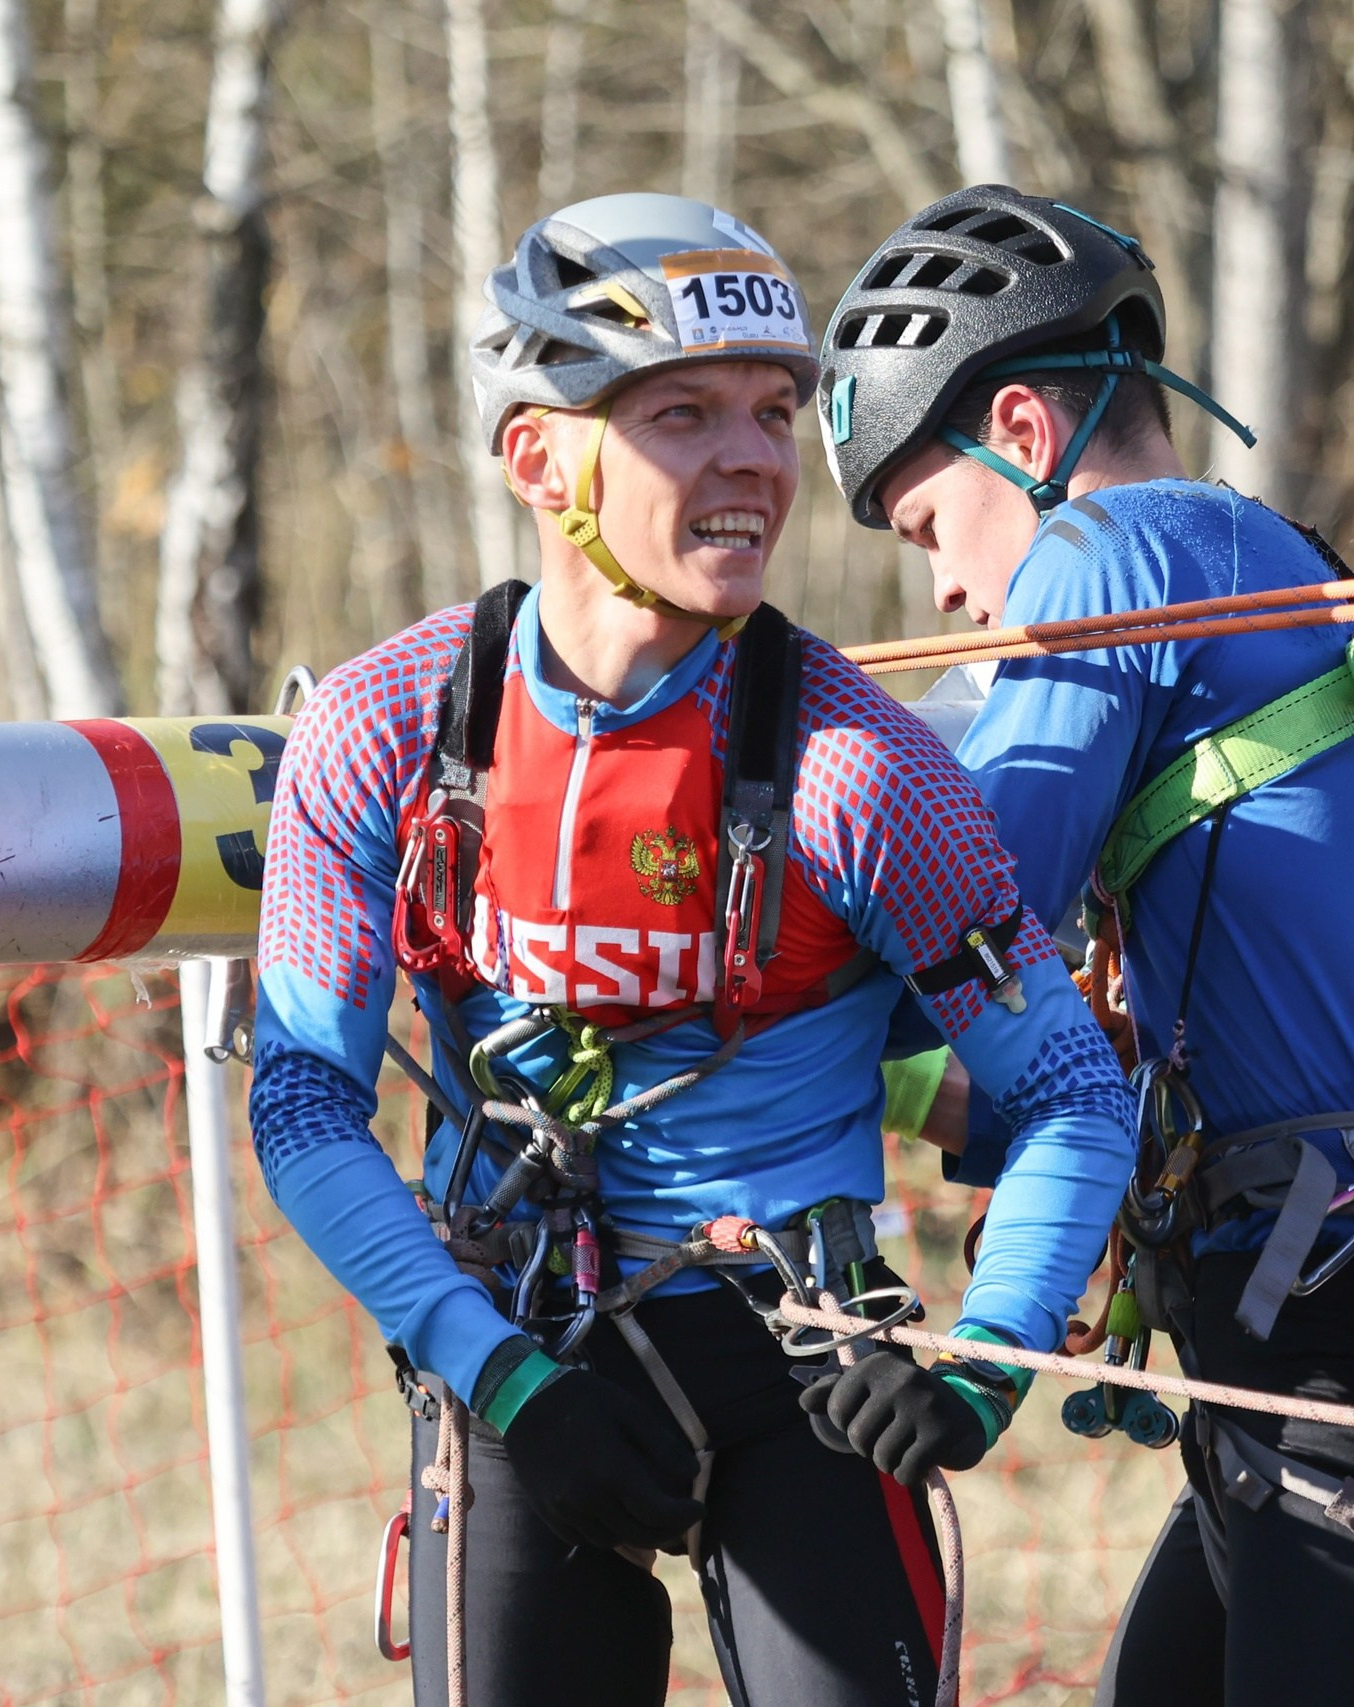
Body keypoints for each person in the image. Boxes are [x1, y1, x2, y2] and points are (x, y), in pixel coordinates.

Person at [248, 192, 1134, 1707]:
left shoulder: (862, 768)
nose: (753, 462)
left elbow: (1068, 1085)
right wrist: (504, 1378)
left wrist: (981, 1362)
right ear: (540, 454)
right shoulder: (386, 728)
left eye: (774, 413)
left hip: (803, 1364)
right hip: (523, 1359)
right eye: (682, 414)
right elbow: (303, 1106)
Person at [818, 185, 1354, 1707]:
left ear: (1022, 434)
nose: (948, 590)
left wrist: (715, 1017)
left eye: (928, 526)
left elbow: (969, 908)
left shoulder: (1102, 559)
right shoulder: (1276, 557)